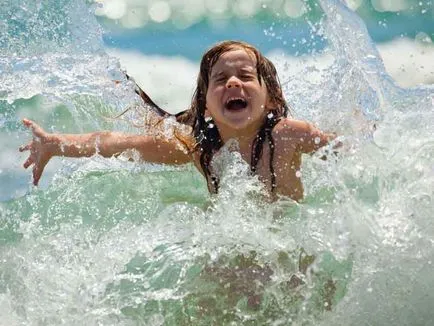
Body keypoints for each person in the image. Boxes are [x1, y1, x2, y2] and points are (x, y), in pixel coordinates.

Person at [19, 40, 338, 202]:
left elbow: (351, 153)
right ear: (206, 106)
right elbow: (118, 143)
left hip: (291, 256)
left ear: (270, 100)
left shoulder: (288, 136)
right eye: (220, 79)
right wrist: (55, 144)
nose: (232, 83)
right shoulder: (199, 148)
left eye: (245, 76)